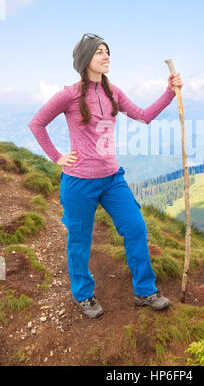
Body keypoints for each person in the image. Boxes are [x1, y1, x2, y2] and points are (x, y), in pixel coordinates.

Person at [28, 33, 183, 319]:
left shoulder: (114, 92)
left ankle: (145, 290)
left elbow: (145, 115)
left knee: (135, 226)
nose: (106, 56)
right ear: (86, 60)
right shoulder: (69, 94)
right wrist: (57, 157)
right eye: (99, 52)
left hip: (112, 179)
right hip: (78, 183)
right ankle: (84, 295)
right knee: (80, 239)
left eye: (107, 51)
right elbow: (37, 123)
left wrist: (169, 92)